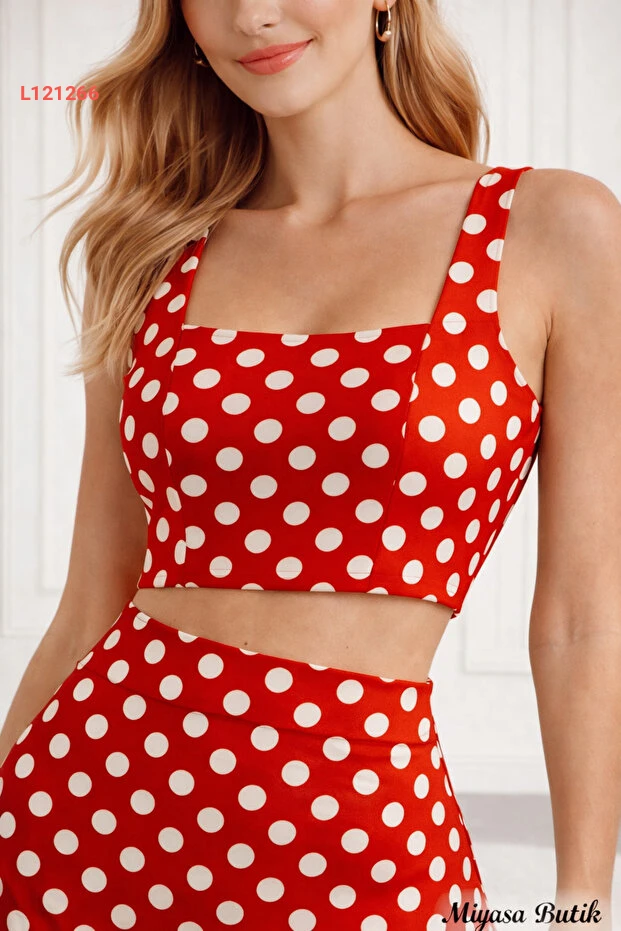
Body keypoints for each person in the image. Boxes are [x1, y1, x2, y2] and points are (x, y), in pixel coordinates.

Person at [1, 1, 620, 929]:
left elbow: (582, 619)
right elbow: (94, 597)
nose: (253, 15)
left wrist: (582, 899)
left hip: (365, 834)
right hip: (81, 812)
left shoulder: (553, 227)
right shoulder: (150, 250)